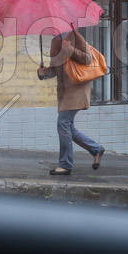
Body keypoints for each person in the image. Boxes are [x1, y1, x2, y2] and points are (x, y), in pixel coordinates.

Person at [37, 27, 105, 175]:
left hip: (76, 88)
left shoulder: (76, 36)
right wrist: (43, 73)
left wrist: (70, 50)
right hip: (63, 91)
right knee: (68, 127)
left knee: (63, 124)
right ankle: (96, 149)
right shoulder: (56, 41)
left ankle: (65, 164)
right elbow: (55, 70)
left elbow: (88, 59)